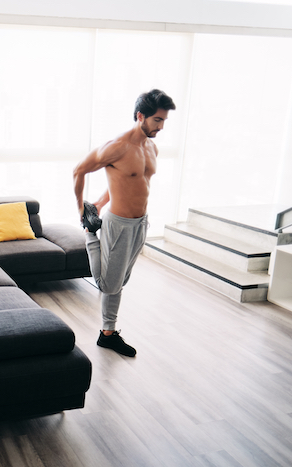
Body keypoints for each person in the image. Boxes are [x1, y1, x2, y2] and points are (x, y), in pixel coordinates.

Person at [72, 89, 175, 357]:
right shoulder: (116, 147)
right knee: (109, 285)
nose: (161, 126)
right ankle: (90, 236)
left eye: (164, 121)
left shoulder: (152, 146)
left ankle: (108, 333)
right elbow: (78, 171)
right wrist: (82, 209)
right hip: (117, 224)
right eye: (156, 120)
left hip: (141, 224)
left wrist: (99, 201)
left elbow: (128, 182)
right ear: (140, 115)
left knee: (121, 281)